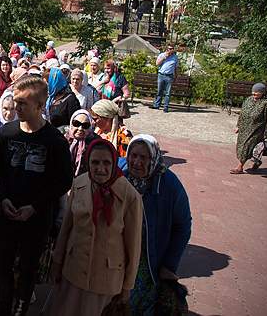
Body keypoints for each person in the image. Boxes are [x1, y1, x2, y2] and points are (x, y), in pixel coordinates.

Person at [0, 75, 73, 316]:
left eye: (23, 103)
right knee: (2, 265)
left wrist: (35, 207)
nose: (16, 107)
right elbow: (0, 171)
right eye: (15, 101)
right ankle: (3, 307)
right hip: (8, 214)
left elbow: (64, 181)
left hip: (36, 219)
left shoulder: (55, 141)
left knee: (28, 269)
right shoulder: (7, 133)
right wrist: (3, 198)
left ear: (40, 106)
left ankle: (21, 308)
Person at [50, 139, 143, 316]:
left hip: (105, 280)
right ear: (88, 163)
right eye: (95, 162)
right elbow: (66, 227)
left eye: (106, 163)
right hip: (74, 271)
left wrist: (127, 287)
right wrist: (57, 260)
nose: (100, 168)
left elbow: (133, 246)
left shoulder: (130, 196)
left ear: (114, 163)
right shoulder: (79, 184)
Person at [117, 135, 191, 314]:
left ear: (154, 158)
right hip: (118, 256)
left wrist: (169, 265)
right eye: (133, 155)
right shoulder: (120, 174)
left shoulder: (169, 185)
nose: (136, 162)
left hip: (148, 259)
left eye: (144, 157)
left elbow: (183, 226)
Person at [231, 83, 267, 174]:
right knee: (243, 146)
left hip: (256, 129)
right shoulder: (248, 99)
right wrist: (238, 126)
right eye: (253, 91)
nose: (254, 93)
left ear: (262, 92)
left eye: (257, 92)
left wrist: (266, 133)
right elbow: (242, 113)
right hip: (244, 128)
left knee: (246, 146)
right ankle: (257, 161)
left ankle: (240, 167)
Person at [66, 109, 100, 178]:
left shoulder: (96, 143)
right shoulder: (63, 139)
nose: (80, 128)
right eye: (76, 123)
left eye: (85, 125)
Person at [153, 44, 179, 112]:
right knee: (159, 91)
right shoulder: (162, 55)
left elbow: (176, 68)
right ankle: (157, 105)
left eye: (172, 49)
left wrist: (176, 76)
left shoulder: (175, 57)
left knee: (168, 93)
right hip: (161, 75)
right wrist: (165, 57)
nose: (171, 50)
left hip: (169, 76)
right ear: (166, 49)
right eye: (169, 49)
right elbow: (157, 64)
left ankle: (166, 107)